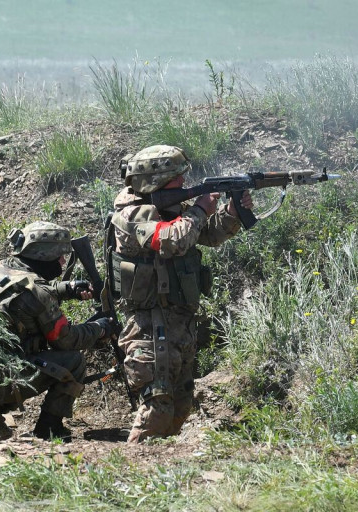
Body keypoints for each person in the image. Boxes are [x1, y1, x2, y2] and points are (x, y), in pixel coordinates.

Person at [108, 145, 252, 443]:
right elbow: (172, 240)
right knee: (157, 409)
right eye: (177, 178)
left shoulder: (172, 209)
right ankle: (132, 465)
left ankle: (158, 468)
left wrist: (231, 213)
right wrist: (200, 209)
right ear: (156, 182)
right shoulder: (131, 215)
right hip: (150, 327)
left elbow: (207, 235)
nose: (184, 182)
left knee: (180, 408)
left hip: (180, 325)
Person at [0, 221, 118, 440]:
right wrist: (100, 328)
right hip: (0, 381)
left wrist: (65, 289)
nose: (62, 262)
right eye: (60, 256)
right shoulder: (38, 292)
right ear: (44, 255)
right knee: (73, 361)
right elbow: (66, 340)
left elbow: (22, 291)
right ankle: (49, 429)